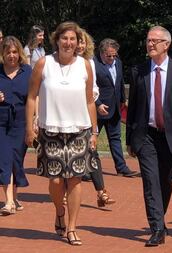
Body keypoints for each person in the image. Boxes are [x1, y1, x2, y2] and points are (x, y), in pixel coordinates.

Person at [25, 21, 98, 246]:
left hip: (79, 131)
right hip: (51, 130)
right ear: (57, 40)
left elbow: (89, 100)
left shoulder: (85, 65)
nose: (68, 43)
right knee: (56, 181)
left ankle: (72, 227)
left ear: (78, 42)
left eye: (73, 39)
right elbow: (31, 96)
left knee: (75, 180)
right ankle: (59, 210)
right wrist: (30, 127)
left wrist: (94, 131)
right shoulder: (43, 63)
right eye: (64, 38)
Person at [126, 26, 172, 246]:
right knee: (150, 181)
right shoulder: (138, 71)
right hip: (146, 136)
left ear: (167, 44)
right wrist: (130, 140)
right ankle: (156, 228)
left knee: (166, 180)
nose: (150, 44)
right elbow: (133, 107)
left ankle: (159, 219)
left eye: (155, 40)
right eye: (148, 40)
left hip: (171, 136)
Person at [74, 28, 115, 207]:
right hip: (67, 115)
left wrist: (96, 104)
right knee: (71, 154)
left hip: (86, 112)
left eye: (83, 41)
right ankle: (65, 192)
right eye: (78, 41)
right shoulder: (59, 62)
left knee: (93, 152)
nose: (81, 45)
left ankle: (101, 193)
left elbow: (94, 89)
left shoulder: (89, 63)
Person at [94, 38, 138, 177]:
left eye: (114, 55)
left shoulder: (118, 62)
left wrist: (123, 99)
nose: (112, 58)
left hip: (114, 108)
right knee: (91, 140)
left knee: (115, 138)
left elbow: (119, 82)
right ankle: (90, 169)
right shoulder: (93, 64)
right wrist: (98, 104)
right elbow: (89, 88)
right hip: (97, 109)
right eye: (109, 56)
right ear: (101, 53)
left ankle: (121, 167)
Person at [0, 36, 31, 215]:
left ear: (19, 53)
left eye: (14, 52)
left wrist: (34, 120)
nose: (11, 56)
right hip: (1, 121)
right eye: (7, 52)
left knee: (16, 161)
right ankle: (9, 201)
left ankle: (15, 197)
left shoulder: (27, 71)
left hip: (21, 121)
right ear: (2, 54)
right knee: (5, 159)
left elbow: (35, 97)